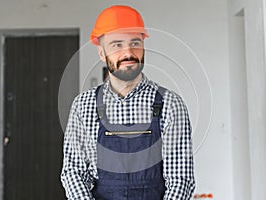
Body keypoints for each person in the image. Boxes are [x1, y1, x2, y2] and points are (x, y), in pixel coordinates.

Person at [61, 5, 195, 200]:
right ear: (101, 53)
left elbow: (180, 179)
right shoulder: (84, 105)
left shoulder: (170, 104)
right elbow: (74, 173)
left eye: (135, 42)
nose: (128, 53)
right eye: (117, 45)